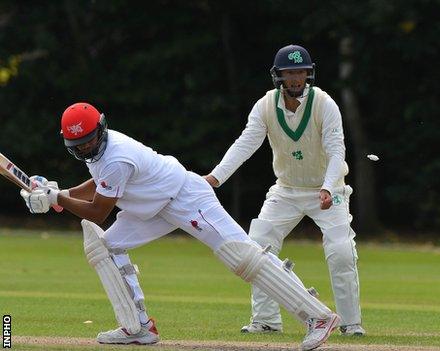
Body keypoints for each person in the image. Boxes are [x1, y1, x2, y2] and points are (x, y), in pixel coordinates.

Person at [20, 102, 340, 351]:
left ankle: (318, 316)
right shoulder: (99, 151)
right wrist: (58, 193)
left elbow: (97, 213)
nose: (85, 149)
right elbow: (98, 183)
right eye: (78, 145)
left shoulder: (116, 156)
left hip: (185, 197)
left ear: (100, 130)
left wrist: (55, 198)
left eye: (89, 142)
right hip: (151, 206)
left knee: (241, 256)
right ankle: (138, 327)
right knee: (104, 247)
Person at [204, 44, 365, 336]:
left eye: (300, 72)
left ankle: (351, 323)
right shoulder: (265, 106)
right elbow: (246, 143)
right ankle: (265, 319)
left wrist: (328, 187)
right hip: (286, 190)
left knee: (341, 251)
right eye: (290, 73)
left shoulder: (324, 104)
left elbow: (336, 149)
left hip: (329, 190)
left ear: (308, 74)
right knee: (259, 242)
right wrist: (216, 178)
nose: (295, 79)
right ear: (278, 76)